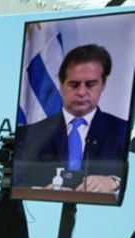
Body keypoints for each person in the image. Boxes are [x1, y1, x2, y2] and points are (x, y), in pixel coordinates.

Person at [14, 44, 129, 196]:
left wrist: (114, 182)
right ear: (61, 85)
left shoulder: (123, 131)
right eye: (74, 85)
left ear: (103, 85)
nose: (81, 92)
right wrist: (41, 192)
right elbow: (17, 182)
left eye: (90, 84)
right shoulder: (30, 134)